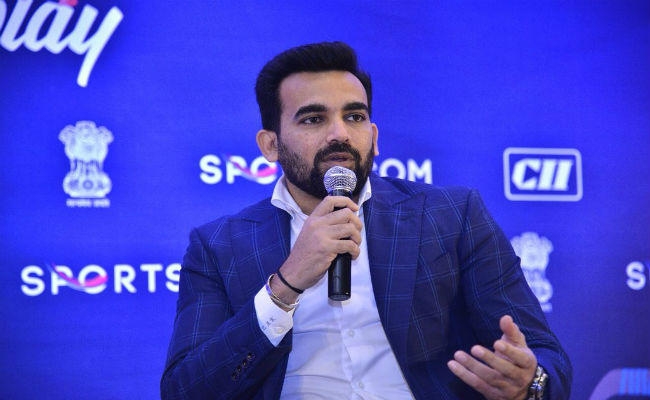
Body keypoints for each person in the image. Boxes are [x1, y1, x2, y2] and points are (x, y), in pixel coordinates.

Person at [161, 41, 572, 399]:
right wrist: (286, 285)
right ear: (271, 145)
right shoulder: (219, 247)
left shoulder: (452, 216)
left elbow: (545, 356)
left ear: (374, 137)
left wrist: (529, 383)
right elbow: (186, 390)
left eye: (354, 117)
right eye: (313, 119)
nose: (339, 134)